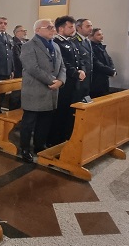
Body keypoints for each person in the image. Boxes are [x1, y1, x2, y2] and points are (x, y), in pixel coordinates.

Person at [19, 19, 65, 162]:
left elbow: (62, 66)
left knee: (45, 121)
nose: (53, 30)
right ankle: (25, 149)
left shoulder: (55, 46)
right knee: (29, 122)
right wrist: (52, 81)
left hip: (51, 91)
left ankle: (40, 146)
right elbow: (33, 68)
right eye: (49, 27)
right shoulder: (28, 46)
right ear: (37, 30)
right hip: (35, 90)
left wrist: (61, 81)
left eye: (53, 27)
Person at [50, 15, 85, 146]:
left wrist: (81, 70)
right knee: (60, 113)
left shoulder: (70, 42)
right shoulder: (57, 43)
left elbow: (78, 59)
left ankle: (66, 137)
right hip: (64, 83)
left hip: (73, 83)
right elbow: (63, 63)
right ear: (60, 28)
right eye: (70, 27)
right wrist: (75, 73)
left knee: (69, 112)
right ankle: (55, 141)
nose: (73, 30)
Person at [89, 28, 116, 98]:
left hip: (104, 79)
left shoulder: (100, 46)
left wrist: (112, 68)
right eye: (98, 35)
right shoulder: (90, 47)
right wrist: (110, 71)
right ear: (91, 36)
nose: (102, 36)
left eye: (102, 34)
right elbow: (96, 63)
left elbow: (108, 58)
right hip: (95, 81)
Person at [73, 18, 94, 100]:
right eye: (88, 26)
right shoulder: (74, 41)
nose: (91, 28)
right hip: (78, 80)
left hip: (88, 79)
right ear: (78, 28)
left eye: (91, 26)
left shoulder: (87, 41)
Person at [9, 24, 28, 110]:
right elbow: (17, 59)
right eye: (22, 31)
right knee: (16, 96)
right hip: (18, 72)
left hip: (26, 73)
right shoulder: (13, 43)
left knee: (23, 96)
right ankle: (13, 112)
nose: (25, 32)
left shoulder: (26, 43)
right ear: (16, 33)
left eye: (25, 31)